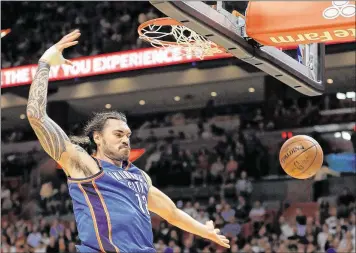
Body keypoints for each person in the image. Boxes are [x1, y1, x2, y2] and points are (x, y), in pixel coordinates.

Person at [26, 30, 230, 253]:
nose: (125, 139)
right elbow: (36, 116)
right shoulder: (85, 166)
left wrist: (205, 231)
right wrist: (45, 62)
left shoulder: (139, 176)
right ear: (98, 138)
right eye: (118, 134)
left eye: (127, 135)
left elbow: (171, 212)